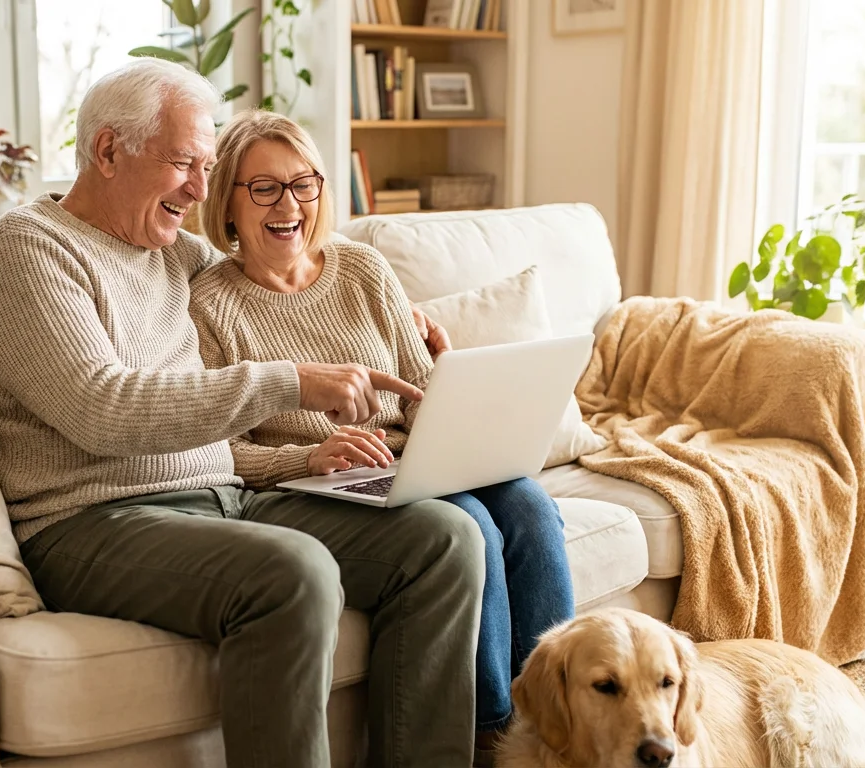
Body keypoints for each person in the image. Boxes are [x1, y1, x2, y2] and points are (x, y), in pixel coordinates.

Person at [0, 58, 485, 768]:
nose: (202, 190)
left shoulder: (177, 253)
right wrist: (289, 382)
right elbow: (102, 408)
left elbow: (278, 284)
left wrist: (403, 323)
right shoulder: (25, 252)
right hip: (89, 521)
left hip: (227, 497)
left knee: (444, 541)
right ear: (109, 151)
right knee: (294, 572)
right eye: (184, 164)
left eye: (207, 167)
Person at [187, 108, 576, 763]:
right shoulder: (209, 307)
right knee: (471, 526)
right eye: (264, 188)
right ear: (227, 202)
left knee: (532, 509)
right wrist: (305, 455)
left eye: (303, 183)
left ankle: (565, 729)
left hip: (415, 461)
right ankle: (495, 735)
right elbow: (212, 451)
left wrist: (454, 387)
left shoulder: (363, 271)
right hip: (317, 486)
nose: (289, 205)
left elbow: (422, 395)